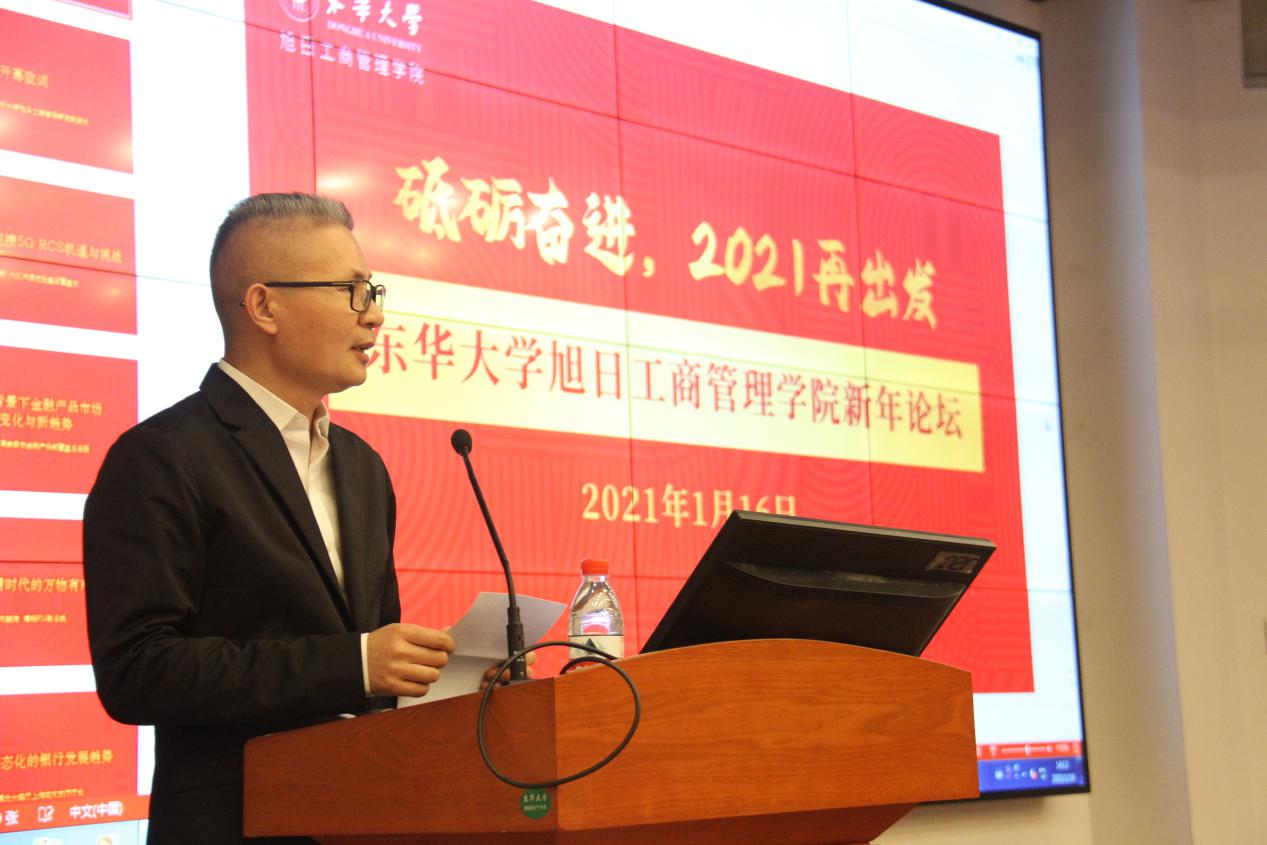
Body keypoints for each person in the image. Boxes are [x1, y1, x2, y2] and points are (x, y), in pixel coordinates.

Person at [84, 193, 456, 843]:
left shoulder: (362, 467)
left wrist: (446, 680)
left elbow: (370, 668)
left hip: (360, 818)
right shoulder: (161, 456)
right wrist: (354, 663)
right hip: (233, 825)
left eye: (373, 290)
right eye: (350, 290)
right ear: (263, 306)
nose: (374, 314)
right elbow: (137, 670)